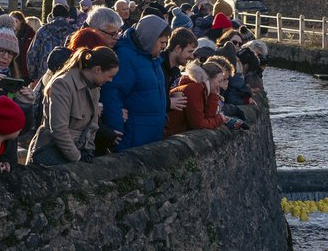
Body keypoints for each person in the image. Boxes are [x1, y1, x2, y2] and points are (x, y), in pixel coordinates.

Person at [27, 45, 119, 165]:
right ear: (97, 70)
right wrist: (77, 157)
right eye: (110, 76)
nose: (110, 80)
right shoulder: (62, 84)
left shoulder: (94, 88)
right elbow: (59, 129)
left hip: (75, 151)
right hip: (51, 153)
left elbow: (92, 126)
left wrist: (88, 149)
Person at [100, 15, 170, 149]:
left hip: (150, 134)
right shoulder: (126, 57)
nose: (164, 47)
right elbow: (113, 95)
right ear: (150, 38)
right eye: (161, 42)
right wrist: (116, 132)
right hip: (133, 137)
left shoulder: (153, 59)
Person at [166, 58, 244, 134]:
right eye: (219, 81)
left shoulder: (204, 89)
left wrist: (214, 95)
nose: (220, 85)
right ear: (208, 78)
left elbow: (209, 116)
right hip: (168, 135)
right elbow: (198, 124)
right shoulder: (195, 88)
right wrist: (220, 119)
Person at [26, 0, 77, 79]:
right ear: (67, 17)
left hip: (44, 75)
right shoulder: (74, 32)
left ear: (53, 16)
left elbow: (32, 53)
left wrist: (33, 75)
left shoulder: (43, 31)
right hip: (66, 76)